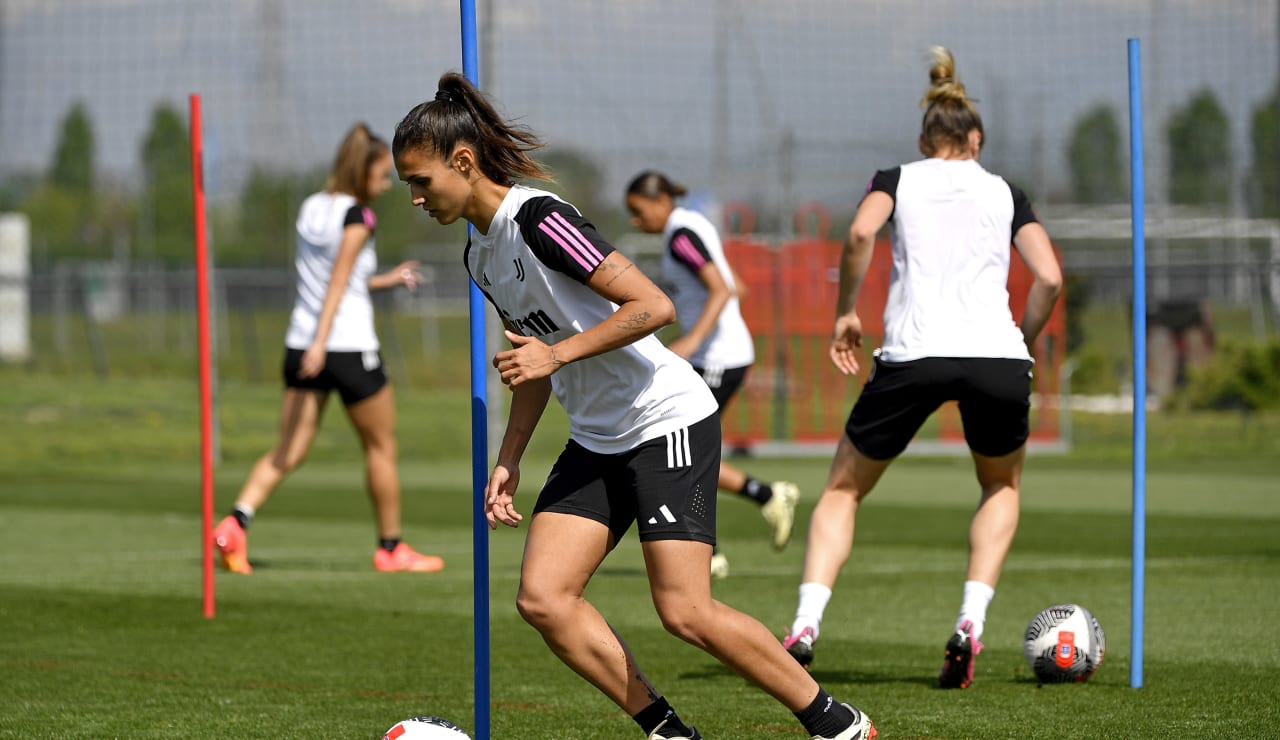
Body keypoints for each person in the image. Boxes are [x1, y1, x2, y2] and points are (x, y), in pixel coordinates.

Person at [392, 72, 877, 740]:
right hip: (597, 437)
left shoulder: (540, 219)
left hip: (665, 420)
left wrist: (556, 356)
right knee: (544, 599)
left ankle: (837, 723)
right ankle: (668, 730)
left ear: (464, 163)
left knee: (685, 611)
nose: (415, 198)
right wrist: (509, 459)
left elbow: (654, 305)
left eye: (421, 181)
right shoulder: (479, 254)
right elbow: (531, 360)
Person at [782, 46, 1063, 691]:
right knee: (1000, 487)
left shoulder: (897, 178)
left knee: (842, 491)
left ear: (923, 139)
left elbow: (858, 236)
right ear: (976, 139)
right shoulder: (1006, 192)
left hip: (913, 354)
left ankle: (805, 626)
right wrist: (1022, 338)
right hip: (997, 357)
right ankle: (969, 621)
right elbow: (1048, 275)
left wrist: (845, 312)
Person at [212, 123, 445, 575]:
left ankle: (235, 523)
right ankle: (391, 548)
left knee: (288, 450)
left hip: (300, 343)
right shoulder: (359, 216)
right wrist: (323, 343)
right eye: (380, 177)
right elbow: (338, 282)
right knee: (380, 447)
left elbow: (334, 279)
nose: (384, 186)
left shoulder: (311, 207)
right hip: (346, 346)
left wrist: (387, 279)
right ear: (362, 174)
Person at [625, 171, 800, 579]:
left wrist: (691, 340)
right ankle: (767, 496)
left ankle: (709, 552)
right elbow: (736, 285)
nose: (636, 221)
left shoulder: (679, 234)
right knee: (682, 444)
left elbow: (721, 289)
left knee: (679, 444)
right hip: (720, 356)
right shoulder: (694, 225)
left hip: (717, 358)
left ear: (661, 202)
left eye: (638, 211)